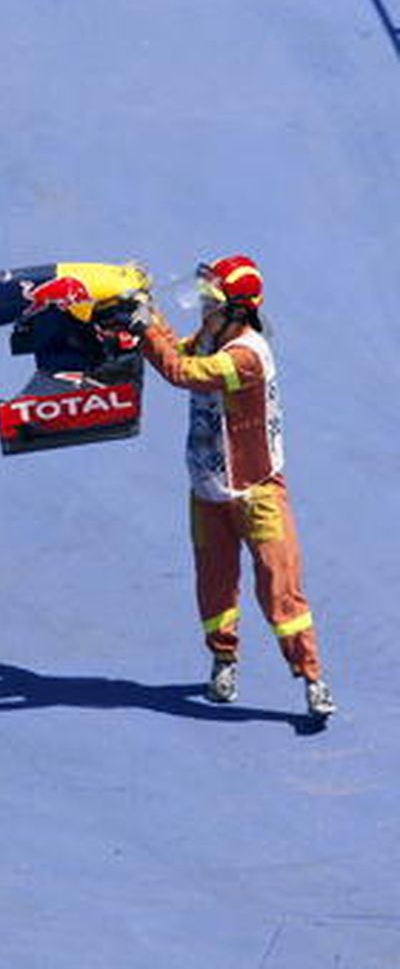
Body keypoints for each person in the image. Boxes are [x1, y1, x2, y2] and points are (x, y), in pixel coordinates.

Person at [137, 254, 336, 719]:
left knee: (280, 589)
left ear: (238, 311)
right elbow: (179, 350)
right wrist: (144, 309)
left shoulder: (247, 356)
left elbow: (183, 373)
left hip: (257, 493)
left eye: (212, 301)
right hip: (207, 489)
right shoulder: (212, 335)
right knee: (215, 586)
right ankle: (223, 661)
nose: (204, 307)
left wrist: (143, 328)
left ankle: (312, 679)